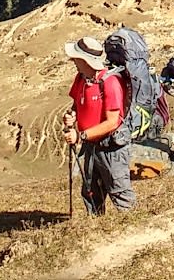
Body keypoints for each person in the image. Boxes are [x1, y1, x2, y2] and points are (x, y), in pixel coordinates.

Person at [62, 35, 134, 214]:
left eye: (76, 58)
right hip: (92, 146)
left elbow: (112, 122)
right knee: (90, 191)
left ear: (86, 61)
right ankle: (96, 229)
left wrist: (80, 136)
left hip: (111, 148)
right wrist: (71, 116)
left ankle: (132, 229)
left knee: (119, 191)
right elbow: (77, 104)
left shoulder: (110, 83)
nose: (73, 61)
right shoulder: (81, 78)